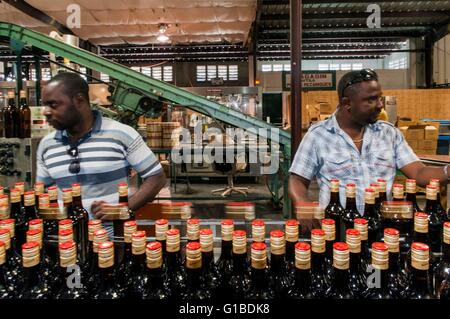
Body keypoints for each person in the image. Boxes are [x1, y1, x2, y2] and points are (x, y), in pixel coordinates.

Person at [289, 69, 449, 215]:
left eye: (380, 98)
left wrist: (447, 171)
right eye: (371, 100)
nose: (380, 105)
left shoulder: (389, 133)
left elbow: (418, 173)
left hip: (382, 228)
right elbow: (297, 180)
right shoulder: (319, 135)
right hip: (339, 230)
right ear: (347, 104)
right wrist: (304, 207)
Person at [36, 72, 167, 219]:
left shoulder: (122, 134)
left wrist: (123, 209)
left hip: (111, 238)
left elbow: (157, 178)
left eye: (53, 105)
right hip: (65, 238)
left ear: (79, 101)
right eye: (44, 105)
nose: (45, 112)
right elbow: (43, 192)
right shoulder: (46, 145)